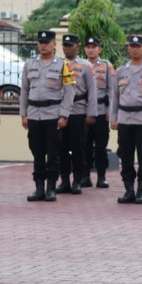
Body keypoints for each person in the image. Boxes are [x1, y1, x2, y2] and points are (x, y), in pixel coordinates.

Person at [20, 30, 75, 202]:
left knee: (53, 153)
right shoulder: (29, 64)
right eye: (40, 42)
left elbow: (69, 91)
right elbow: (24, 91)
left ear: (54, 44)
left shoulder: (63, 64)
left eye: (46, 42)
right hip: (34, 115)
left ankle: (51, 187)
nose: (43, 45)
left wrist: (64, 114)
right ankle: (39, 188)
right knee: (37, 153)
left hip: (53, 115)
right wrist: (24, 114)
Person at [110, 35, 142, 204]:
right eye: (132, 46)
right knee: (126, 155)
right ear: (128, 48)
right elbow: (114, 96)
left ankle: (141, 189)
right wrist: (113, 118)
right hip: (125, 119)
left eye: (138, 46)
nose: (135, 49)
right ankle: (129, 189)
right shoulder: (121, 71)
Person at [58, 33, 96, 195]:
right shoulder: (57, 64)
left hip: (79, 111)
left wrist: (91, 113)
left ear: (77, 46)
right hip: (60, 112)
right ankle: (64, 180)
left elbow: (92, 91)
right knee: (61, 148)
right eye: (65, 45)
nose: (68, 48)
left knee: (78, 147)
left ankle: (77, 180)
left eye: (71, 45)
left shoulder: (86, 66)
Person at [82, 37, 114, 189]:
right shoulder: (81, 66)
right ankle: (86, 176)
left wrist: (110, 111)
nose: (90, 49)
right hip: (85, 111)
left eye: (94, 47)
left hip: (101, 111)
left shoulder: (106, 66)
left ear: (99, 49)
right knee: (85, 145)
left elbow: (111, 90)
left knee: (101, 147)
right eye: (88, 47)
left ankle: (101, 177)